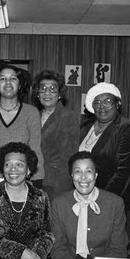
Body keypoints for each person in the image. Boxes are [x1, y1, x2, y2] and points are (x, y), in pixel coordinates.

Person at [79, 82, 130, 254]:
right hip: (83, 199)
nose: (102, 106)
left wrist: (101, 200)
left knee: (114, 254)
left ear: (118, 104)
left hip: (113, 201)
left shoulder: (127, 127)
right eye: (97, 102)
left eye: (107, 101)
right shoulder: (86, 127)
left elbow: (128, 169)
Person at [0, 142, 54, 259]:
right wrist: (21, 253)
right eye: (8, 164)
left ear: (28, 169)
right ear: (2, 169)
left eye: (19, 164)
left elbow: (47, 234)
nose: (13, 169)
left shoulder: (41, 197)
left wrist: (37, 256)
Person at [0, 63, 44, 189]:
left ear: (20, 85)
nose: (8, 82)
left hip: (23, 180)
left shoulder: (31, 112)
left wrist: (37, 185)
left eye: (13, 78)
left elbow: (36, 151)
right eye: (3, 78)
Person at [51, 151, 128, 259]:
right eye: (77, 171)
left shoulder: (115, 203)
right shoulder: (59, 204)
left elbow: (118, 248)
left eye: (88, 171)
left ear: (96, 175)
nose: (83, 177)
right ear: (72, 175)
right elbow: (58, 246)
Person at [31, 70, 79, 201]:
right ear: (37, 93)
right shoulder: (34, 115)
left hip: (55, 184)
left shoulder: (67, 116)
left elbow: (68, 157)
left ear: (59, 94)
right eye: (43, 88)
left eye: (52, 89)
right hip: (34, 180)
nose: (47, 93)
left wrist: (62, 188)